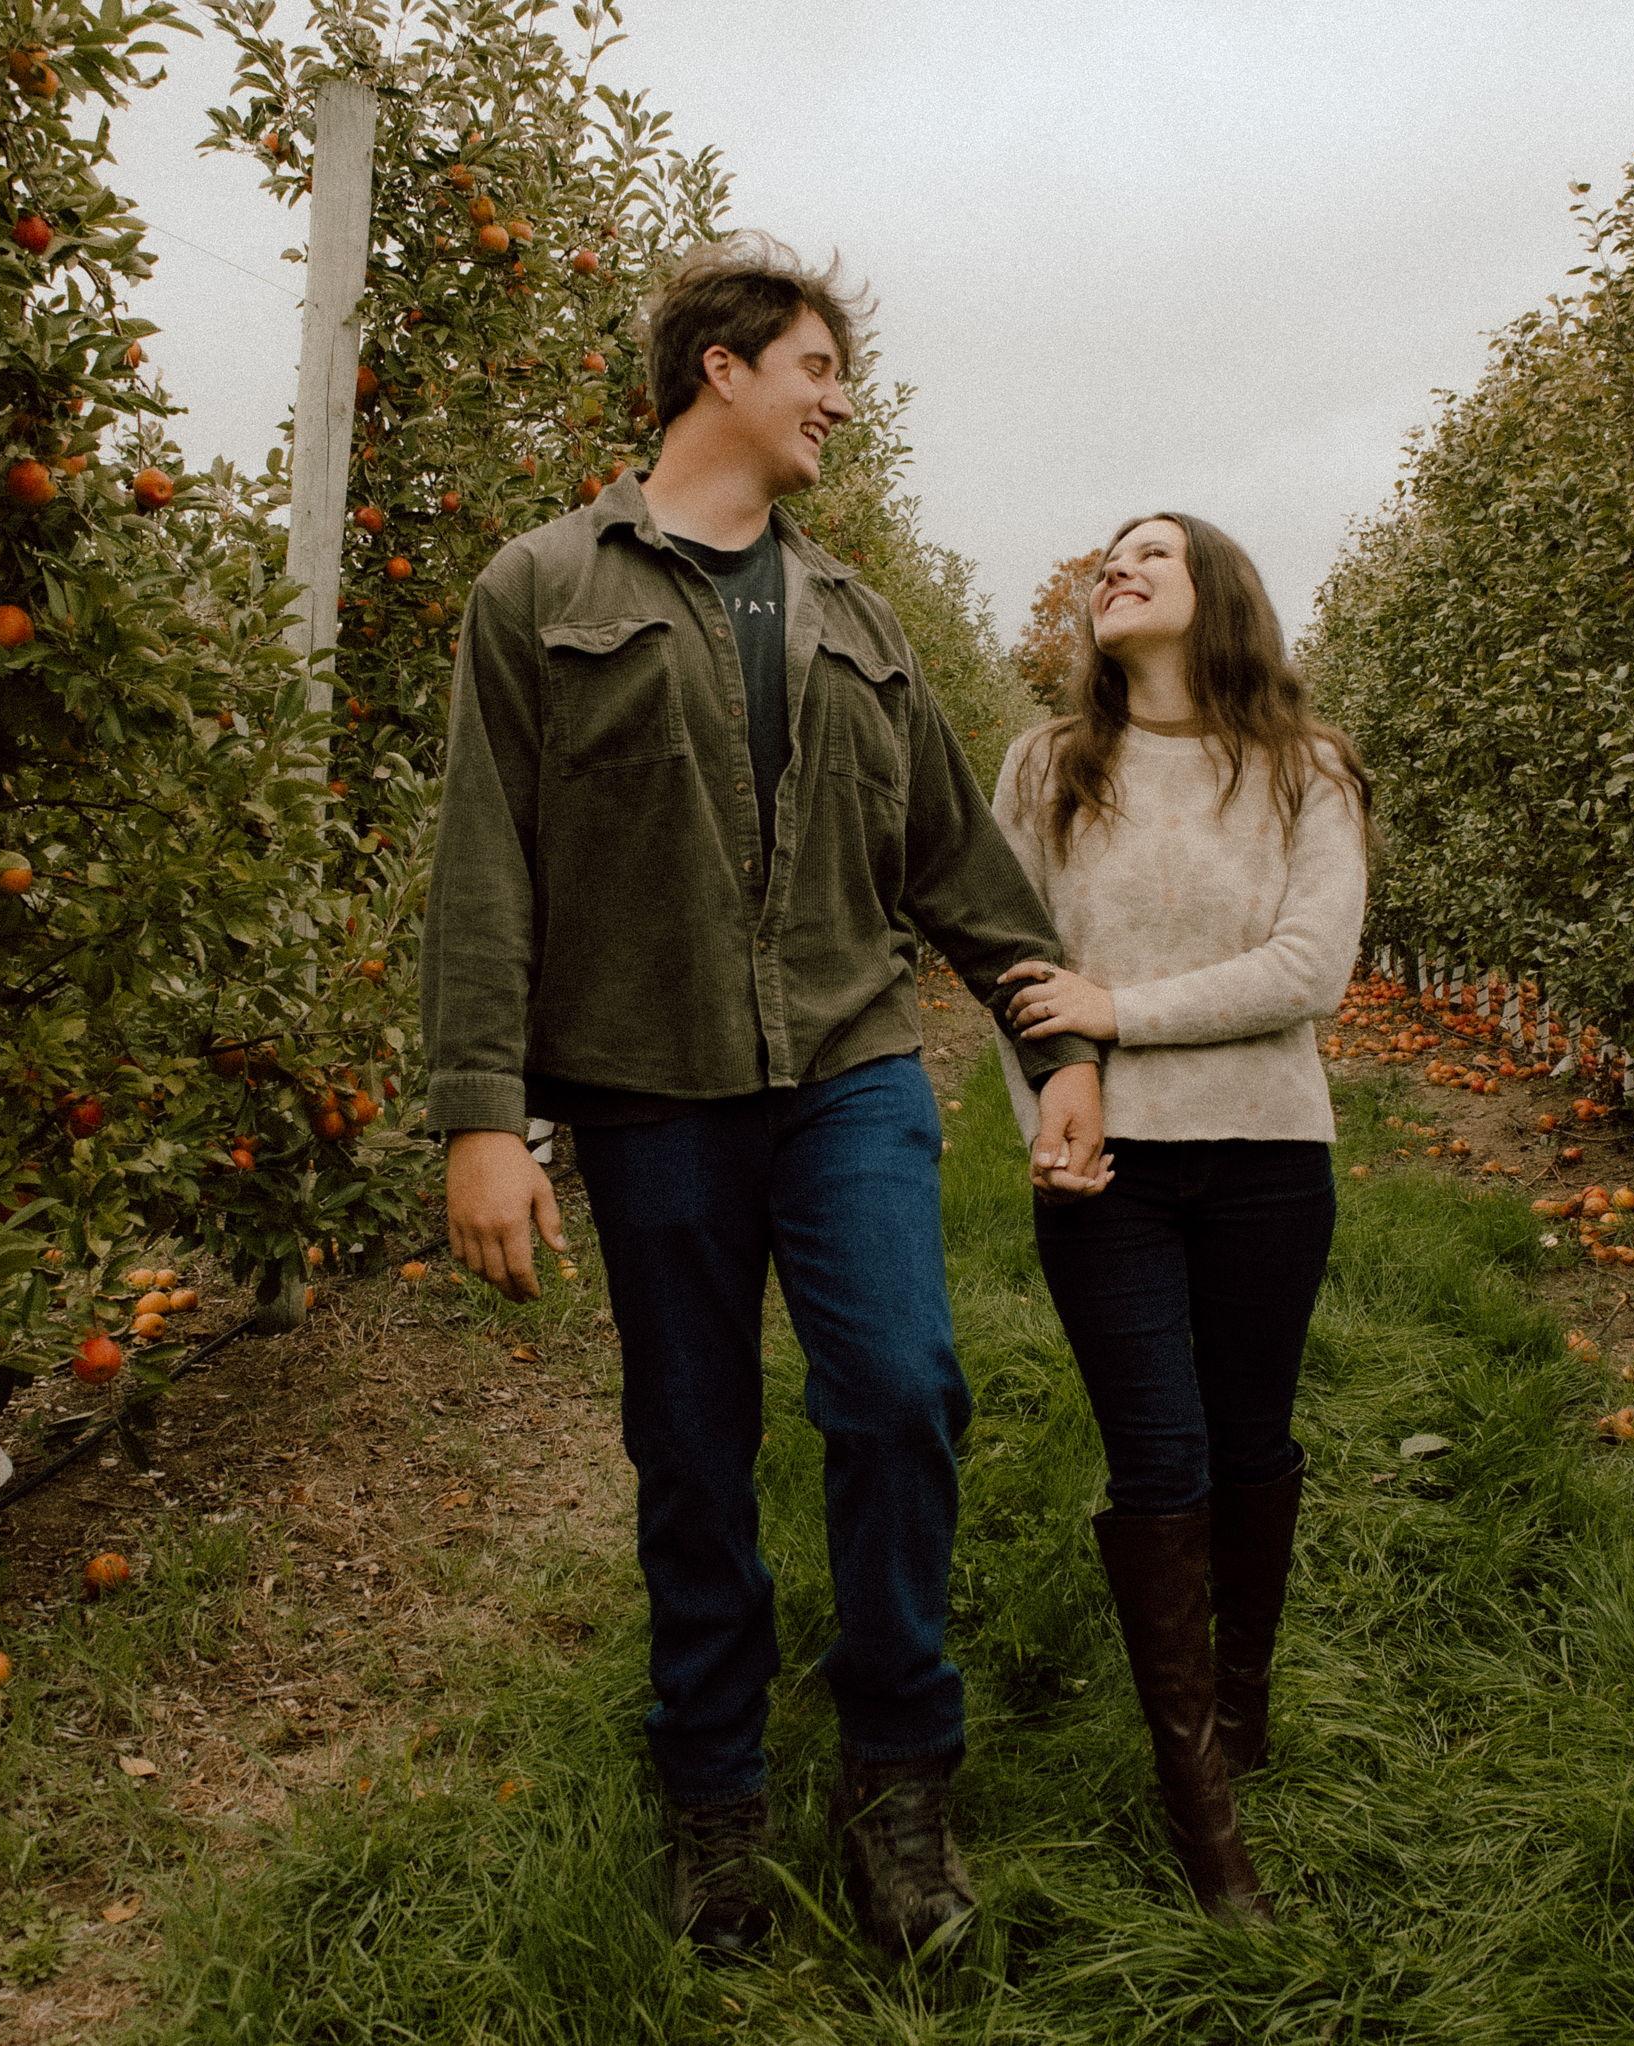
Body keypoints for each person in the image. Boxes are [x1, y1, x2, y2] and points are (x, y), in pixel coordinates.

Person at [418, 234, 1108, 1960]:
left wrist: (1062, 1046)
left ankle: (901, 1777)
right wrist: (481, 1116)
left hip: (848, 1064)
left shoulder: (857, 619)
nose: (837, 401)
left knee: (899, 1392)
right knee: (691, 1445)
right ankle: (715, 1798)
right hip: (647, 1083)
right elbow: (485, 861)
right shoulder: (539, 589)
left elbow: (954, 862)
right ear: (721, 367)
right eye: (817, 368)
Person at [988, 512, 1369, 1921]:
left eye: (1152, 551)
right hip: (1114, 1172)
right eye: (1104, 556)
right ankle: (1203, 1812)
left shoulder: (1300, 767)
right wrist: (1052, 1098)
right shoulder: (1045, 766)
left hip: (1271, 1153)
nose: (1116, 567)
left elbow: (1310, 964)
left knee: (1252, 1437)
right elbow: (1008, 955)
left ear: (1216, 588)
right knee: (1161, 1456)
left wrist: (1119, 1010)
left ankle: (1243, 1704)